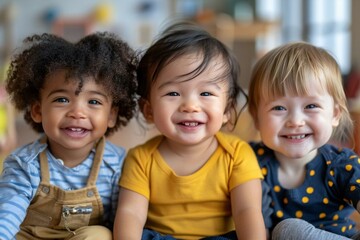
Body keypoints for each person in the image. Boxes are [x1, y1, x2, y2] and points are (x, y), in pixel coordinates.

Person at [113, 22, 266, 240]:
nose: (190, 106)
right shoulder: (141, 159)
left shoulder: (237, 155)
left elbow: (247, 212)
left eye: (206, 93)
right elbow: (131, 213)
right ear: (148, 110)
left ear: (227, 110)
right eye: (173, 93)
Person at [0, 32, 138, 240]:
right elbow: (7, 216)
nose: (77, 112)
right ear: (37, 111)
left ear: (111, 115)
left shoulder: (118, 164)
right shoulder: (24, 164)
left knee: (100, 234)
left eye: (93, 102)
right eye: (62, 99)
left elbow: (123, 219)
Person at [248, 42, 360, 240]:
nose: (295, 122)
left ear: (335, 114)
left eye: (311, 105)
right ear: (256, 118)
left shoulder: (341, 165)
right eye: (279, 108)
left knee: (288, 230)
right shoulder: (248, 160)